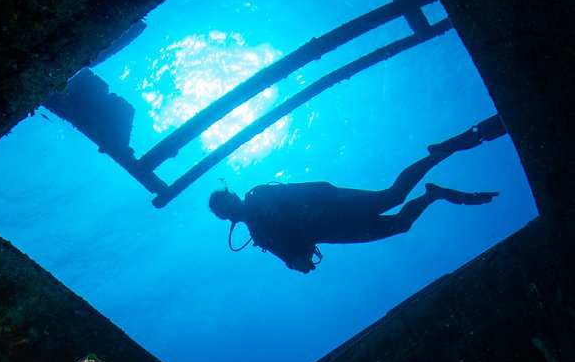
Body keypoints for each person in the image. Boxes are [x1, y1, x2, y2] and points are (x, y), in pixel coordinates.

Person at [208, 116, 505, 273]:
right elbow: (288, 254)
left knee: (392, 197)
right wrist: (298, 263)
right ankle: (433, 194)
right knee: (399, 224)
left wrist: (319, 207)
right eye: (224, 209)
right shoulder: (258, 236)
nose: (230, 208)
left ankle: (436, 155)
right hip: (333, 231)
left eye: (227, 201)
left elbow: (311, 189)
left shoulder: (259, 196)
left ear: (233, 196)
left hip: (333, 206)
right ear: (225, 217)